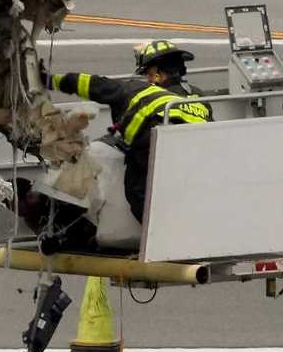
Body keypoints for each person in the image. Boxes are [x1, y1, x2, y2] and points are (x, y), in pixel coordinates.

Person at [47, 39, 211, 221]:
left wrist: (52, 80)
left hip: (154, 160)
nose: (148, 79)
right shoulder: (199, 97)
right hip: (196, 167)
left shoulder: (142, 90)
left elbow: (95, 85)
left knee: (136, 192)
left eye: (148, 74)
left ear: (157, 73)